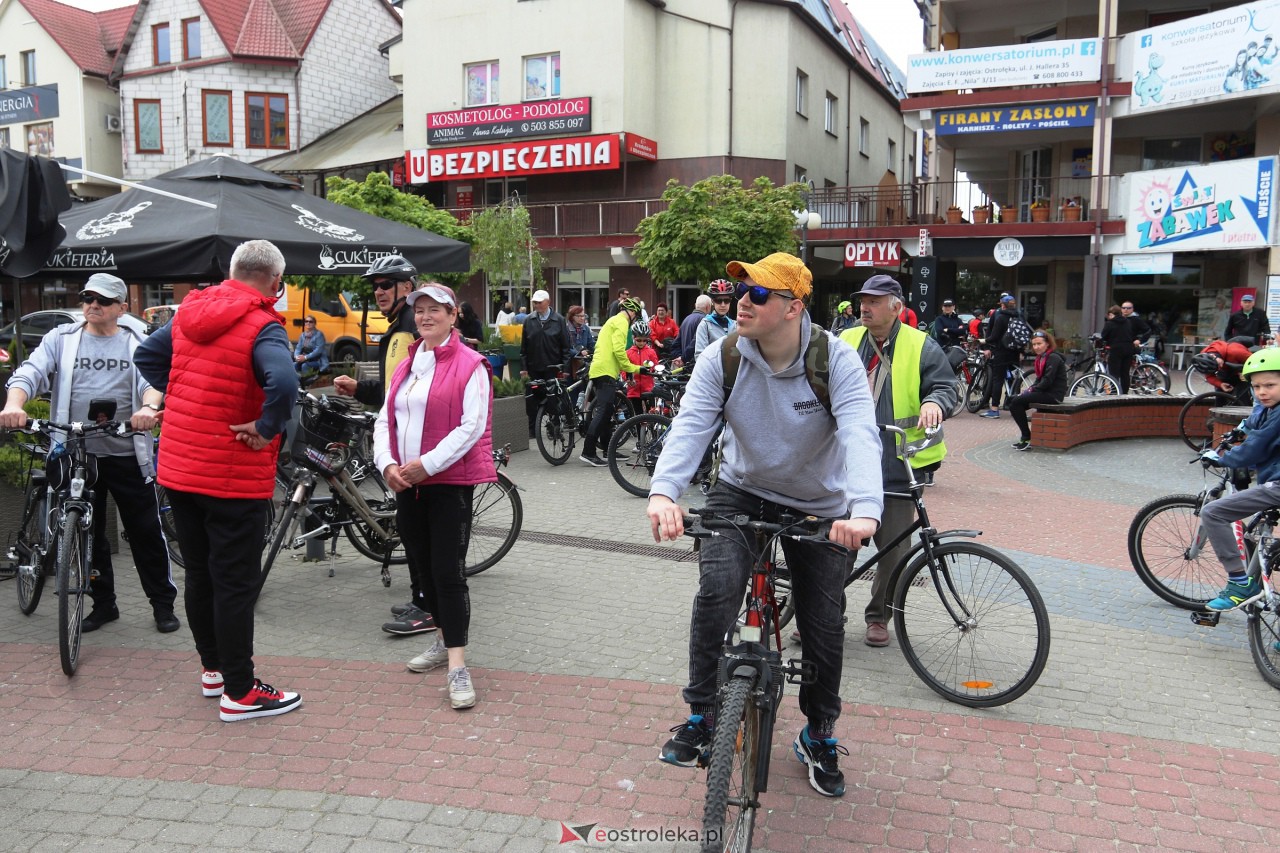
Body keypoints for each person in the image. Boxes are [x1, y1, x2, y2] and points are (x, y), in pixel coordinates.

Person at [647, 252, 882, 798]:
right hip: (741, 487)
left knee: (823, 621)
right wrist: (663, 493)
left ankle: (818, 732)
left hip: (819, 501)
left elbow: (859, 433)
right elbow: (691, 426)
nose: (741, 303)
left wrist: (865, 510)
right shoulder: (723, 355)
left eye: (757, 294)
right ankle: (703, 714)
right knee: (718, 589)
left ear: (793, 307)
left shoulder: (836, 360)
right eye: (739, 292)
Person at [134, 240, 301, 722]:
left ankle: (214, 670)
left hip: (180, 469)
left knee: (201, 574)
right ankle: (241, 691)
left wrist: (187, 398)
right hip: (232, 474)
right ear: (275, 281)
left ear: (233, 271)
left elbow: (146, 357)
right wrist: (265, 427)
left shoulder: (188, 313)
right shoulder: (263, 325)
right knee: (235, 583)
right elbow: (285, 384)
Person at [1, 273, 178, 634]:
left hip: (127, 453)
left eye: (103, 300)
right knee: (87, 534)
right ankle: (103, 604)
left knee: (145, 531)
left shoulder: (136, 340)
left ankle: (162, 605)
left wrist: (148, 408)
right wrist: (14, 404)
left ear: (121, 308)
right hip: (76, 453)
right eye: (88, 298)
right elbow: (30, 373)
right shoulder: (61, 339)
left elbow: (152, 382)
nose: (93, 305)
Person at [372, 282, 496, 710]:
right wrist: (387, 464)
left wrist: (427, 464)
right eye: (420, 310)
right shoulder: (408, 365)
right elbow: (384, 419)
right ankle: (443, 641)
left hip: (448, 484)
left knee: (447, 574)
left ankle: (458, 666)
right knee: (423, 572)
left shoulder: (471, 364)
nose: (425, 317)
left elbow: (471, 425)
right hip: (407, 485)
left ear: (452, 315)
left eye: (435, 310)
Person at [841, 273, 955, 646]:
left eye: (874, 301)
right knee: (832, 547)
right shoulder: (845, 340)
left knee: (894, 553)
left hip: (897, 466)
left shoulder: (921, 345)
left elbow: (945, 386)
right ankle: (824, 612)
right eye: (863, 301)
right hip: (845, 465)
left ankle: (879, 617)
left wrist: (934, 403)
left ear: (896, 308)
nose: (865, 308)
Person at [331, 255, 434, 637]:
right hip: (403, 441)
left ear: (407, 286)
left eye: (386, 284)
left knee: (417, 530)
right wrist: (359, 388)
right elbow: (394, 389)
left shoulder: (410, 328)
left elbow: (412, 392)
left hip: (414, 446)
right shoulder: (398, 327)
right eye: (375, 286)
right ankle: (421, 598)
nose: (378, 291)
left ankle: (427, 606)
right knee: (410, 527)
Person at [1198, 349, 1280, 611]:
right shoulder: (1271, 409)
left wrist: (1222, 458)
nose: (1262, 392)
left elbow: (1255, 448)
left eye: (1270, 385)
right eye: (1256, 386)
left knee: (1213, 512)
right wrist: (1240, 429)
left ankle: (1239, 583)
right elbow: (1256, 419)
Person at [579, 296, 644, 467]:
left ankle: (608, 449)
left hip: (602, 370)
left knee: (607, 411)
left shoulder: (613, 320)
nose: (634, 320)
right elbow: (619, 351)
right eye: (636, 316)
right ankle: (588, 451)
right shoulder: (621, 322)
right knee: (603, 412)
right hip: (605, 371)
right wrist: (636, 368)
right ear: (632, 313)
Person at [520, 289, 572, 438]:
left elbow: (565, 346)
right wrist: (524, 368)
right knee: (531, 400)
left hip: (553, 367)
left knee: (553, 400)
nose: (536, 305)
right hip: (533, 367)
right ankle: (532, 430)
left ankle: (554, 429)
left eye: (539, 302)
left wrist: (565, 368)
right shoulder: (529, 320)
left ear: (548, 302)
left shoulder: (558, 320)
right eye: (534, 302)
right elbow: (524, 347)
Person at [1007, 331, 1068, 450]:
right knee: (1013, 401)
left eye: (1039, 344)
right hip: (1044, 392)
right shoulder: (1041, 358)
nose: (1036, 347)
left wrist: (1031, 390)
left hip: (1053, 395)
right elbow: (1039, 380)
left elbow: (1047, 381)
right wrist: (1028, 390)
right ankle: (1026, 436)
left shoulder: (1053, 358)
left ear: (1047, 344)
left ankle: (1026, 437)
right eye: (1034, 344)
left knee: (1016, 401)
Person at [978, 294, 1023, 416]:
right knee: (1014, 380)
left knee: (998, 380)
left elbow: (994, 336)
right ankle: (1014, 405)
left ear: (1003, 305)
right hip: (1015, 352)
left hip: (1002, 352)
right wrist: (1022, 351)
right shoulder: (1019, 316)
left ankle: (994, 410)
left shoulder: (1001, 317)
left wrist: (984, 341)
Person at [1098, 304, 1137, 394]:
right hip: (1128, 348)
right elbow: (1131, 334)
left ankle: (1115, 393)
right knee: (1125, 373)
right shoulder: (1128, 322)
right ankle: (1124, 393)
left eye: (1109, 315)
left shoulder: (1110, 323)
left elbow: (1104, 336)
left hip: (1116, 349)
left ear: (1112, 314)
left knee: (1114, 373)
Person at [695, 280, 737, 359]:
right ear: (712, 302)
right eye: (718, 301)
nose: (723, 305)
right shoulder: (705, 325)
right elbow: (700, 356)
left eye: (727, 301)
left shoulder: (735, 325)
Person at [625, 321, 659, 404]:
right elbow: (624, 368)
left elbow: (655, 367)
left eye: (644, 340)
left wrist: (654, 370)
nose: (642, 343)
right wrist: (628, 378)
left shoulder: (651, 352)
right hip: (633, 390)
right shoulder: (628, 353)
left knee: (650, 411)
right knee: (636, 411)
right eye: (639, 340)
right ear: (633, 338)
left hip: (648, 389)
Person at [678, 294, 712, 366]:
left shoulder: (686, 319)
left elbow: (676, 343)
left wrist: (681, 358)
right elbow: (696, 342)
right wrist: (684, 358)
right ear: (708, 307)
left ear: (695, 305)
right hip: (697, 364)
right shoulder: (705, 321)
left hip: (686, 366)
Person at [293, 316, 329, 382]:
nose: (308, 323)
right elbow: (298, 348)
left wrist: (305, 357)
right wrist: (297, 357)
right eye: (306, 321)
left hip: (317, 360)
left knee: (305, 366)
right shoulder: (303, 335)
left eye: (310, 321)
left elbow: (318, 350)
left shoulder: (319, 335)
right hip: (305, 359)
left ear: (314, 323)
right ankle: (296, 383)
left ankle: (306, 384)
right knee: (294, 365)